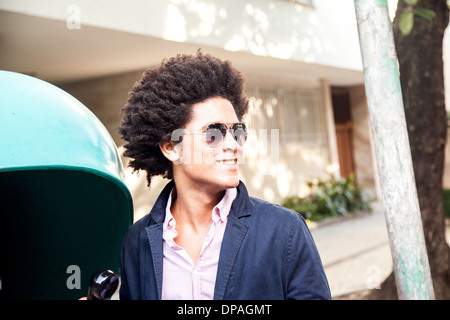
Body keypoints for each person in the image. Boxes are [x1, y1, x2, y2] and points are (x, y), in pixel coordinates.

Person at [118, 51, 331, 300]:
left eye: (237, 131)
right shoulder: (138, 241)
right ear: (171, 147)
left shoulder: (285, 231)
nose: (233, 144)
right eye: (214, 133)